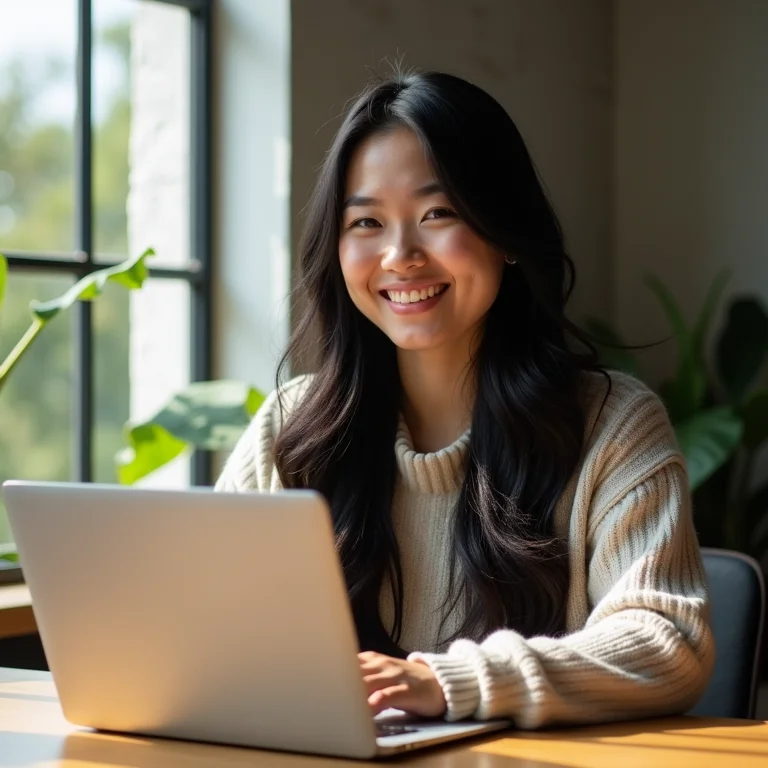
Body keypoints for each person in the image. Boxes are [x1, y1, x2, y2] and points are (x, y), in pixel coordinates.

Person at [215, 70, 714, 729]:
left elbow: (666, 642)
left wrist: (442, 682)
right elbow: (204, 625)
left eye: (437, 214)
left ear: (505, 233)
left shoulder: (612, 425)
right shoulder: (292, 429)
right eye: (365, 222)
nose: (400, 256)